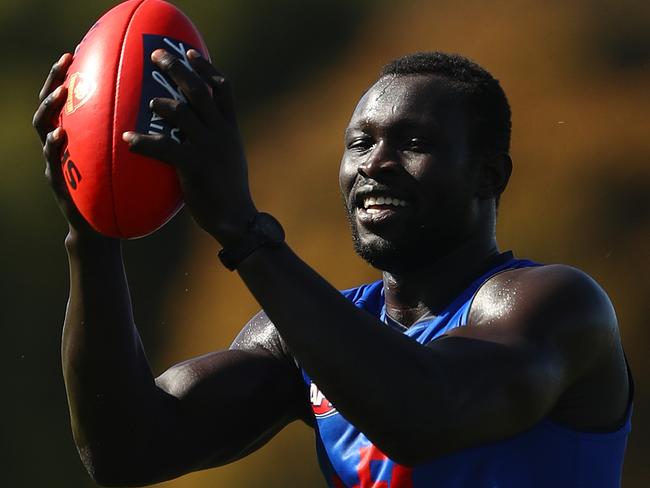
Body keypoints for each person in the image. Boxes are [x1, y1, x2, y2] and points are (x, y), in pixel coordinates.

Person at [34, 48, 632, 487]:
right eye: (359, 143)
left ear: (489, 176)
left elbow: (423, 415)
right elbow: (127, 450)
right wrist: (93, 230)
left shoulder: (556, 305)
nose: (377, 163)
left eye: (413, 144)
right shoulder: (308, 336)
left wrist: (243, 228)